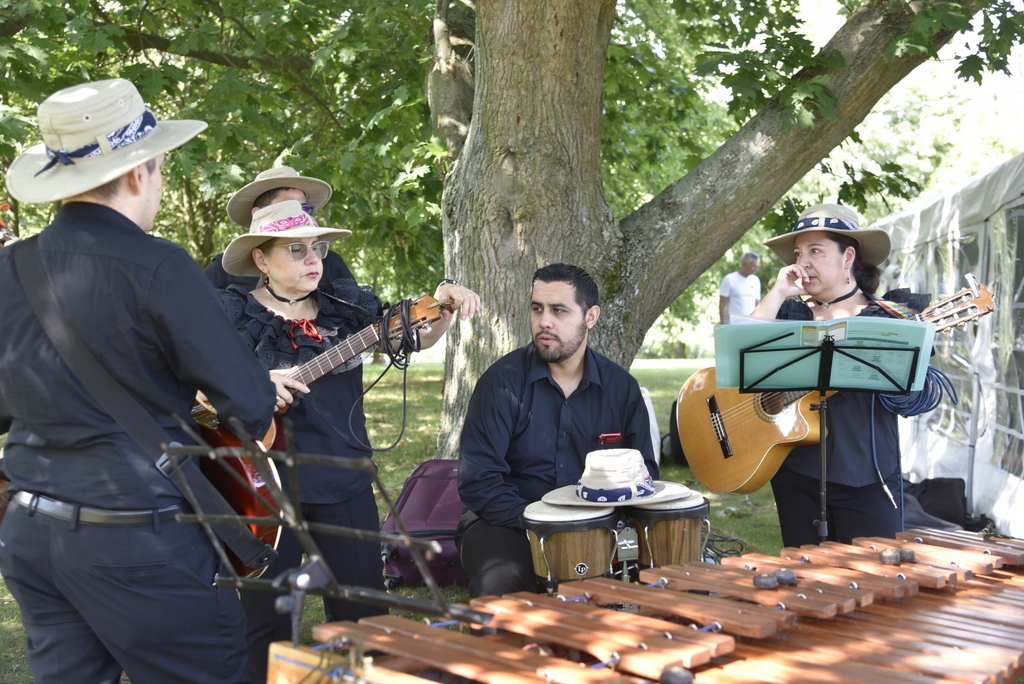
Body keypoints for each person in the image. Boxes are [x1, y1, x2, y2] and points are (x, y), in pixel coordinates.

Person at [0, 79, 282, 683]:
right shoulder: (158, 264)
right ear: (138, 173)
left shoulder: (8, 267)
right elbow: (250, 402)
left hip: (32, 532)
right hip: (136, 540)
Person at [217, 200, 480, 682]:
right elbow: (193, 384)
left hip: (343, 480)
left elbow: (413, 336)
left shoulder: (346, 307)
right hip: (263, 488)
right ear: (260, 259)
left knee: (363, 617)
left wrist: (443, 305)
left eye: (317, 248)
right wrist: (253, 385)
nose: (313, 259)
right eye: (296, 250)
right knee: (266, 622)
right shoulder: (230, 315)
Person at [456, 263, 657, 598]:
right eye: (537, 309)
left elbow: (644, 474)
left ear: (591, 317)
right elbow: (479, 481)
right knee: (501, 581)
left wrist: (601, 525)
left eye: (558, 311)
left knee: (659, 581)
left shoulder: (621, 389)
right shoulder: (501, 383)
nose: (544, 322)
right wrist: (545, 523)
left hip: (597, 526)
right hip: (508, 523)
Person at [751, 203, 932, 548]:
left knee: (873, 576)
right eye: (798, 253)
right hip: (796, 476)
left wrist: (891, 377)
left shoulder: (890, 318)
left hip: (867, 479)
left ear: (848, 257)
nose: (802, 263)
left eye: (815, 251)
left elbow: (922, 396)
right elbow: (741, 354)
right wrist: (777, 292)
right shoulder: (789, 313)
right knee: (805, 576)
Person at [204, 165, 352, 290]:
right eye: (288, 206)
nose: (298, 214)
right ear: (258, 214)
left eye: (304, 208)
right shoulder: (223, 270)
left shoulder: (330, 262)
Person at [719, 251, 761, 323]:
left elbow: (757, 304)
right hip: (733, 325)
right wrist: (723, 324)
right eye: (754, 266)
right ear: (744, 264)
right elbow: (722, 304)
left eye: (757, 266)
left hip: (751, 324)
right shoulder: (729, 279)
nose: (756, 269)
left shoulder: (755, 280)